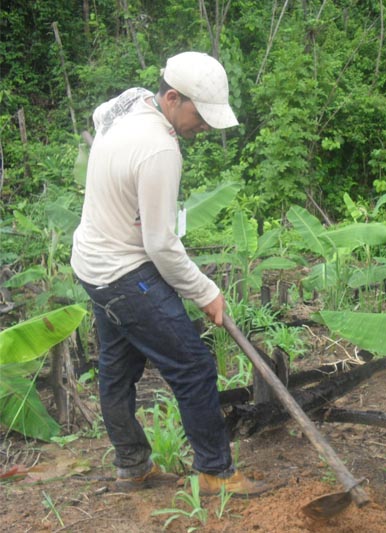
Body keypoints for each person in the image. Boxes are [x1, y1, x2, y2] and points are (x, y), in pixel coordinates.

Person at [71, 51, 267, 496]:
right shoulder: (160, 148)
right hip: (123, 271)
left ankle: (132, 468)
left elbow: (100, 115)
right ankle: (216, 473)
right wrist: (206, 292)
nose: (205, 127)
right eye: (200, 115)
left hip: (90, 261)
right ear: (173, 97)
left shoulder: (130, 102)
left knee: (116, 371)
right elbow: (160, 244)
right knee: (194, 367)